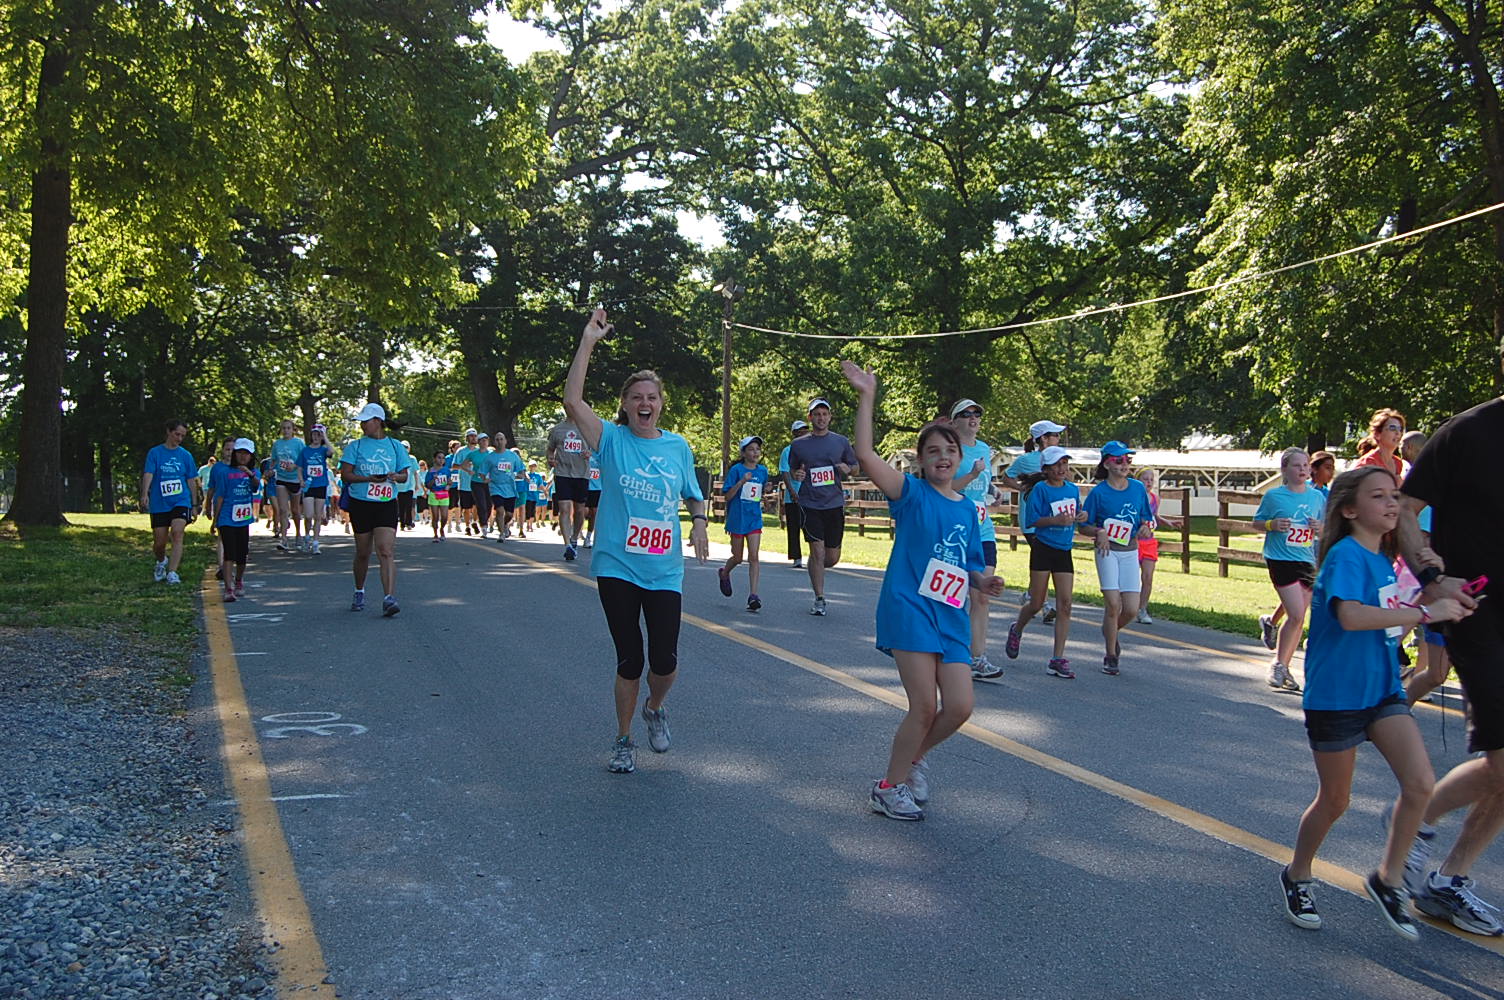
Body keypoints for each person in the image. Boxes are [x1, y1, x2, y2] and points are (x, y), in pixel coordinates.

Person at [1278, 465, 1468, 939]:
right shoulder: (1346, 556)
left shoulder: (1385, 560)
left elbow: (1390, 622)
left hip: (1382, 691)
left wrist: (1451, 598)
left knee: (1421, 784)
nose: (1391, 504)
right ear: (1349, 509)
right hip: (1336, 697)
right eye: (1379, 496)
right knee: (1335, 800)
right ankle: (1297, 873)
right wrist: (1426, 610)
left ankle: (1387, 880)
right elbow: (1351, 615)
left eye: (1395, 495)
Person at [839, 362, 1003, 821]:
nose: (942, 457)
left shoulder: (969, 510)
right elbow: (867, 455)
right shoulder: (909, 493)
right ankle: (888, 787)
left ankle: (911, 761)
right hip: (909, 608)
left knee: (961, 707)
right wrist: (866, 395)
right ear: (921, 461)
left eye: (949, 449)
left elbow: (967, 565)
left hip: (950, 616)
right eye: (932, 452)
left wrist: (982, 581)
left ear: (960, 458)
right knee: (924, 705)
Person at [563, 308, 708, 775]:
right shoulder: (611, 440)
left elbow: (691, 493)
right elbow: (572, 402)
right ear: (625, 404)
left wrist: (701, 522)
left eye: (652, 396)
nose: (645, 403)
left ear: (661, 403)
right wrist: (588, 340)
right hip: (616, 565)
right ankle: (624, 738)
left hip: (664, 567)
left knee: (664, 659)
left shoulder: (678, 447)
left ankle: (655, 706)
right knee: (631, 656)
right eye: (636, 397)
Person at [1392, 391, 1504, 936]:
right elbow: (1405, 512)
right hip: (1475, 612)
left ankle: (1448, 882)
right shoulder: (1467, 431)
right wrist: (1433, 579)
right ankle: (1415, 818)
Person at [1006, 446, 1085, 678]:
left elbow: (1077, 514)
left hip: (1064, 550)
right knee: (1037, 602)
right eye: (1057, 465)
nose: (1062, 469)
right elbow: (1033, 520)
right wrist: (1055, 520)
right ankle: (1017, 628)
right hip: (1043, 547)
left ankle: (1057, 658)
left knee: (1066, 603)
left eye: (1065, 464)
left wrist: (1081, 517)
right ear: (1046, 469)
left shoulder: (1072, 488)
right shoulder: (1040, 490)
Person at [1252, 448, 1325, 692]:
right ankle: (1278, 665)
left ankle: (1283, 665)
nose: (1303, 469)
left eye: (1305, 465)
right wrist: (1272, 524)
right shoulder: (1274, 496)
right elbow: (1256, 523)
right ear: (1284, 469)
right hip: (1280, 558)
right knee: (1295, 614)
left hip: (1306, 559)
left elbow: (1327, 527)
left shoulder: (1317, 497)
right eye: (1297, 465)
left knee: (1299, 617)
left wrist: (1319, 527)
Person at [1080, 441, 1155, 675]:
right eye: (1118, 460)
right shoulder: (1099, 493)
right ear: (1107, 464)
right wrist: (1098, 531)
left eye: (1128, 461)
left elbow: (1147, 519)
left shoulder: (1137, 488)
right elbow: (1084, 525)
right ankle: (1110, 654)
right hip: (1107, 552)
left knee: (1131, 610)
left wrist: (1146, 529)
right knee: (1113, 604)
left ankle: (1110, 631)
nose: (1124, 465)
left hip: (1130, 551)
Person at [949, 399, 1005, 680]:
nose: (973, 418)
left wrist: (994, 491)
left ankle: (977, 658)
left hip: (983, 530)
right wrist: (971, 473)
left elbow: (983, 482)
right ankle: (950, 653)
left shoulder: (984, 449)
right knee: (954, 597)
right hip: (956, 532)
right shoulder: (950, 451)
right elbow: (943, 487)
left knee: (981, 596)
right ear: (954, 421)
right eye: (966, 414)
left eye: (977, 414)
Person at [339, 403, 410, 617]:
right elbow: (346, 475)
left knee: (385, 550)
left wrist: (393, 477)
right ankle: (359, 590)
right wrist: (368, 478)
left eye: (365, 421)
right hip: (361, 503)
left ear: (377, 422)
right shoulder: (355, 446)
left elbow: (404, 475)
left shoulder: (395, 446)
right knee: (363, 553)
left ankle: (389, 598)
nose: (362, 425)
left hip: (386, 502)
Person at [788, 398, 858, 616]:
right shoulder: (798, 445)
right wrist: (796, 474)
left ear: (830, 417)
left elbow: (855, 468)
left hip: (834, 504)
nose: (820, 418)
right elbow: (792, 470)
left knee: (831, 558)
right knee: (817, 551)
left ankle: (815, 566)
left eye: (824, 414)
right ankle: (819, 598)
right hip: (809, 503)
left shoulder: (841, 442)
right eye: (816, 414)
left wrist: (848, 468)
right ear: (810, 417)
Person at [1003, 419, 1068, 623]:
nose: (1058, 438)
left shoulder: (1060, 460)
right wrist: (1023, 488)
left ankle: (1031, 595)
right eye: (1055, 435)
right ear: (1043, 439)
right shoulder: (1027, 460)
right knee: (1044, 558)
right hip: (1032, 520)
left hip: (1054, 520)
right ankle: (1045, 605)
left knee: (1044, 560)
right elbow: (1006, 477)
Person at [140, 419, 201, 585]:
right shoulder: (155, 453)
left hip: (180, 500)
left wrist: (194, 504)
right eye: (177, 434)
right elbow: (149, 474)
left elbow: (191, 480)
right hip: (160, 502)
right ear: (168, 431)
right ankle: (161, 561)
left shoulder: (185, 456)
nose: (179, 438)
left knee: (177, 532)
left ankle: (172, 572)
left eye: (182, 436)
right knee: (159, 542)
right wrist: (144, 493)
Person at [719, 435, 768, 612]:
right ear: (744, 452)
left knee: (754, 556)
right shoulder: (736, 470)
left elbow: (759, 492)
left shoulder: (762, 471)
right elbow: (727, 496)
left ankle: (753, 595)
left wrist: (765, 495)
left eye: (757, 449)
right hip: (737, 519)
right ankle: (724, 573)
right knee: (738, 557)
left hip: (754, 518)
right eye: (751, 449)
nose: (755, 452)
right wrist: (741, 481)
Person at [212, 439, 261, 602]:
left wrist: (248, 472)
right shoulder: (224, 473)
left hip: (243, 519)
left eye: (246, 453)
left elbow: (256, 486)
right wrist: (215, 519)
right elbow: (219, 496)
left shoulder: (253, 472)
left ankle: (239, 580)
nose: (242, 456)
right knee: (229, 554)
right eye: (239, 452)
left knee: (242, 555)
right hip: (227, 517)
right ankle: (228, 588)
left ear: (251, 456)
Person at [1134, 468, 1179, 624]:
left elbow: (1154, 516)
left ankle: (1142, 609)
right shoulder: (1133, 497)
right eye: (1145, 479)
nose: (1148, 482)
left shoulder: (1155, 499)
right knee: (1131, 578)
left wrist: (1168, 522)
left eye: (1151, 479)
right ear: (1137, 480)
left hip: (1149, 542)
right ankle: (1125, 606)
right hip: (1134, 542)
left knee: (1148, 577)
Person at [547, 416, 594, 560]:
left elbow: (596, 447)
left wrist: (589, 453)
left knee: (580, 510)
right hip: (562, 473)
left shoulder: (588, 426)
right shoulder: (557, 429)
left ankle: (574, 538)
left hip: (581, 474)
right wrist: (550, 459)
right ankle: (567, 545)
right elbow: (550, 449)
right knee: (564, 509)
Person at [269, 419, 306, 551]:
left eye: (288, 428)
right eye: (284, 428)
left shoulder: (298, 443)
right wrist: (270, 469)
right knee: (283, 510)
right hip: (281, 478)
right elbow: (273, 459)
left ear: (293, 430)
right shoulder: (277, 444)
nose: (286, 430)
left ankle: (298, 534)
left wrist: (294, 466)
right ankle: (284, 539)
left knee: (295, 510)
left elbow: (304, 458)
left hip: (295, 479)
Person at [299, 424, 335, 554]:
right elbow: (299, 467)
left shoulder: (323, 450)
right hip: (309, 485)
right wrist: (301, 480)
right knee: (308, 515)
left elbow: (332, 452)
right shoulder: (305, 451)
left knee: (318, 516)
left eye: (318, 435)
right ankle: (307, 536)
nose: (316, 437)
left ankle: (315, 542)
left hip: (321, 484)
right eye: (314, 434)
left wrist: (325, 437)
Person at [778, 421, 809, 568]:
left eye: (805, 430)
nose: (802, 432)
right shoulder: (787, 451)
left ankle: (816, 555)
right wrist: (791, 491)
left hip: (810, 495)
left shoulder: (812, 450)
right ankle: (796, 557)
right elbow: (784, 472)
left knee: (810, 526)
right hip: (793, 495)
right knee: (794, 527)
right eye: (799, 430)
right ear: (794, 433)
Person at [488, 432, 523, 542]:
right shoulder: (490, 457)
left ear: (505, 441)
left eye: (501, 439)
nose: (499, 441)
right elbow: (482, 472)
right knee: (500, 510)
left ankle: (504, 524)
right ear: (494, 442)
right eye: (497, 439)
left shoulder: (512, 456)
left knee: (509, 514)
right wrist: (485, 478)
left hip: (510, 488)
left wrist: (520, 474)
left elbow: (521, 469)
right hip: (495, 487)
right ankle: (502, 534)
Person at [1354, 408, 1407, 479]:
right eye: (1392, 428)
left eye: (1400, 429)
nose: (1398, 433)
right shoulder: (1367, 463)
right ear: (1377, 434)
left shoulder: (1398, 463)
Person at [453, 429, 479, 535]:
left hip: (477, 483)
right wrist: (463, 467)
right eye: (471, 436)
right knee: (466, 508)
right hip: (464, 484)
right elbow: (454, 466)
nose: (473, 438)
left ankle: (474, 522)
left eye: (475, 436)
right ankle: (467, 526)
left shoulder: (479, 451)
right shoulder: (461, 451)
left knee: (477, 506)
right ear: (467, 438)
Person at [424, 450, 451, 541]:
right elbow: (427, 485)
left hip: (444, 494)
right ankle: (435, 534)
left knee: (444, 516)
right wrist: (433, 480)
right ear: (435, 459)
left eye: (443, 458)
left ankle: (442, 529)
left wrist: (448, 485)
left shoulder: (446, 470)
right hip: (434, 494)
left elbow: (449, 481)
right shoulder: (430, 471)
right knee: (435, 516)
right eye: (439, 458)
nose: (441, 460)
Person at [397, 438, 419, 532]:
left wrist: (417, 484)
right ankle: (402, 524)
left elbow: (415, 472)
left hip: (409, 485)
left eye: (406, 447)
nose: (404, 449)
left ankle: (409, 523)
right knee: (401, 506)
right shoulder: (397, 458)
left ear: (409, 448)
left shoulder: (412, 459)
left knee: (409, 505)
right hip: (399, 486)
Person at [583, 451, 601, 547]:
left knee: (594, 513)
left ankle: (588, 537)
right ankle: (576, 530)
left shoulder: (601, 454)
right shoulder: (584, 451)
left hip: (597, 487)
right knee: (583, 511)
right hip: (584, 486)